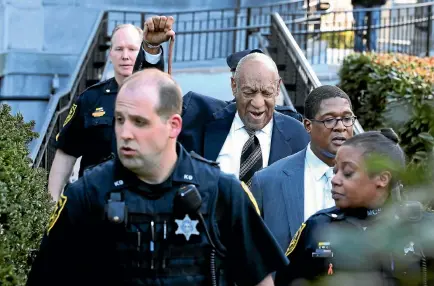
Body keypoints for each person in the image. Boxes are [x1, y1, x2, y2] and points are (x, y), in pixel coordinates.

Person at [27, 68, 287, 286]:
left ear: (173, 126)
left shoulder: (221, 191)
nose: (125, 133)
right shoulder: (87, 194)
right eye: (120, 119)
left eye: (139, 122)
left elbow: (261, 279)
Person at [275, 129, 434, 286]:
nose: (335, 180)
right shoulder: (318, 226)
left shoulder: (423, 228)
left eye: (348, 172)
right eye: (335, 170)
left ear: (382, 178)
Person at [48, 19, 172, 202]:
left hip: (142, 201)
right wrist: (52, 203)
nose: (125, 56)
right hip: (94, 200)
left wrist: (153, 49)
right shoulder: (90, 99)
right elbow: (66, 152)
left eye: (132, 49)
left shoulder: (157, 95)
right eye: (119, 49)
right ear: (110, 54)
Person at [250, 85, 355, 250]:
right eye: (329, 120)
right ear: (307, 125)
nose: (340, 127)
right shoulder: (268, 182)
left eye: (347, 118)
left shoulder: (371, 179)